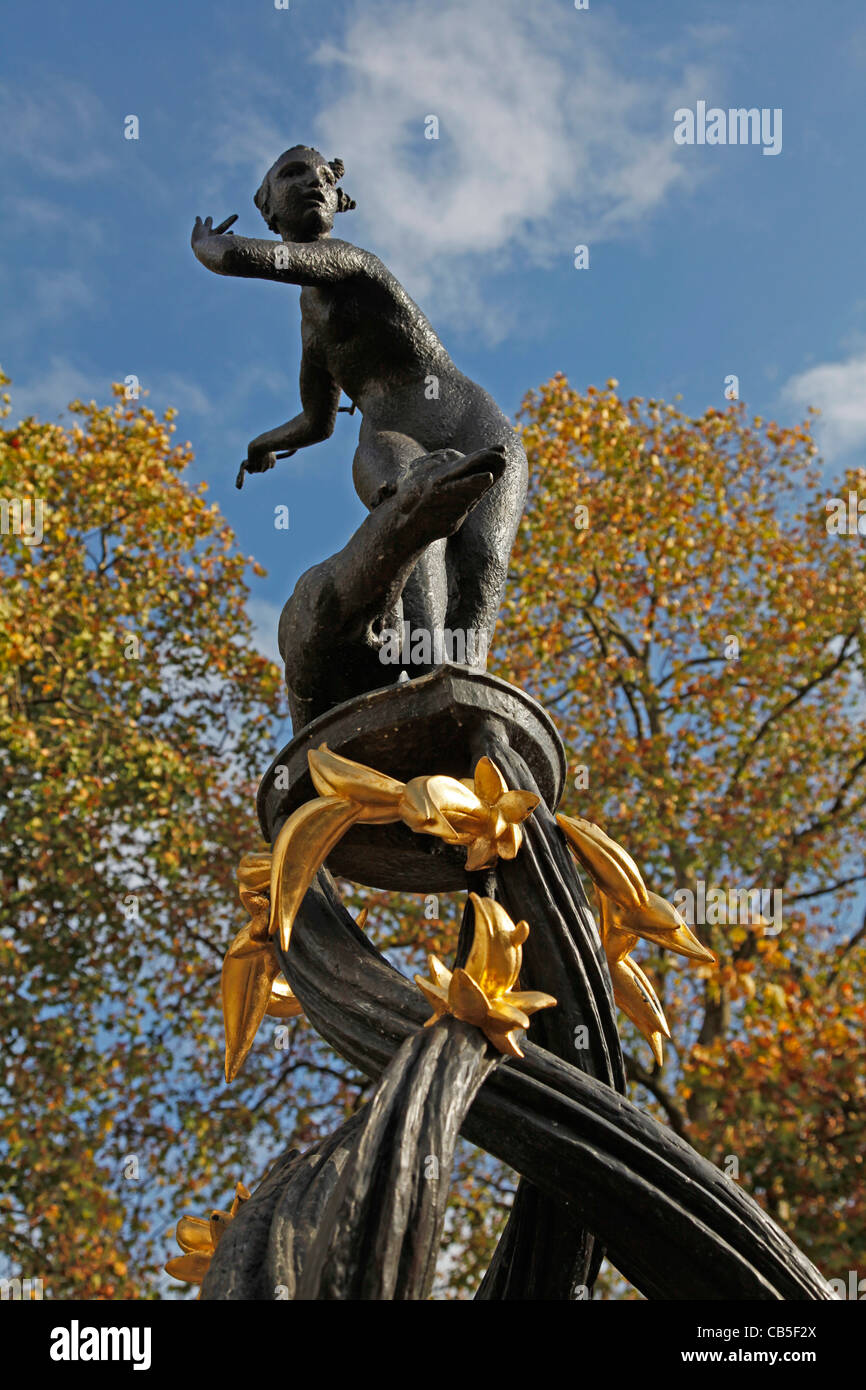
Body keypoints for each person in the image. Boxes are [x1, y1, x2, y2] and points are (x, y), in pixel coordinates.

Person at [191, 145, 527, 660]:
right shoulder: (314, 331)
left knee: (481, 563)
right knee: (417, 549)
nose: (314, 182)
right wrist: (263, 444)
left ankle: (466, 688)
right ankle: (426, 678)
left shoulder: (353, 262)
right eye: (294, 173)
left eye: (324, 176)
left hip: (471, 423)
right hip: (392, 439)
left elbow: (238, 256)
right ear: (270, 208)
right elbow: (317, 421)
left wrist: (208, 245)